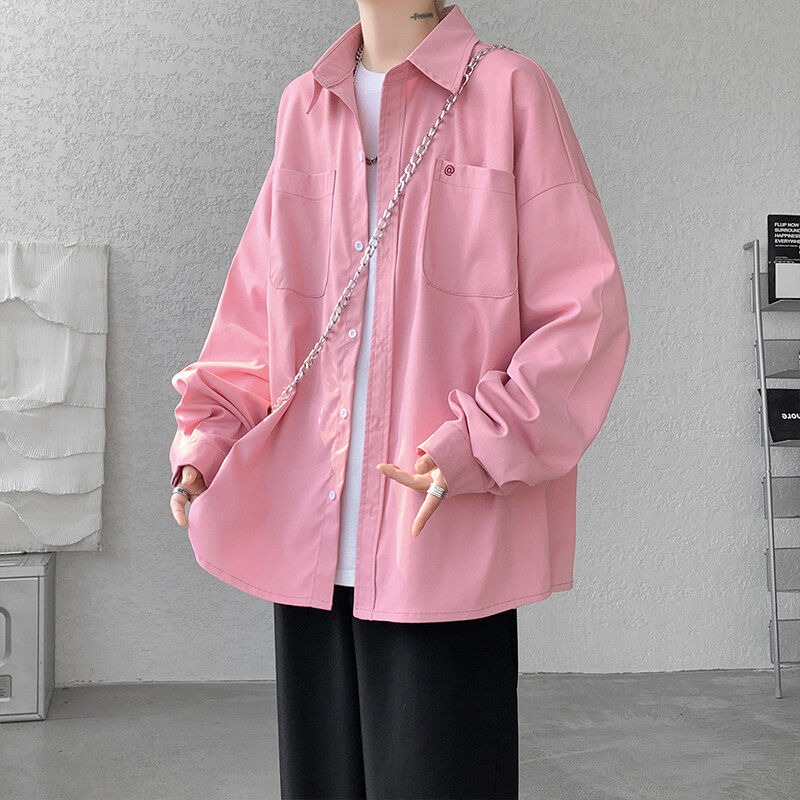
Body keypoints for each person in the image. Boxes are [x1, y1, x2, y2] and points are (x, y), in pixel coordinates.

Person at [168, 2, 631, 798]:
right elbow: (256, 313)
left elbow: (583, 318)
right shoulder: (305, 106)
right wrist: (207, 439)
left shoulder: (510, 92)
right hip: (309, 542)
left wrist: (479, 443)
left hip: (441, 538)